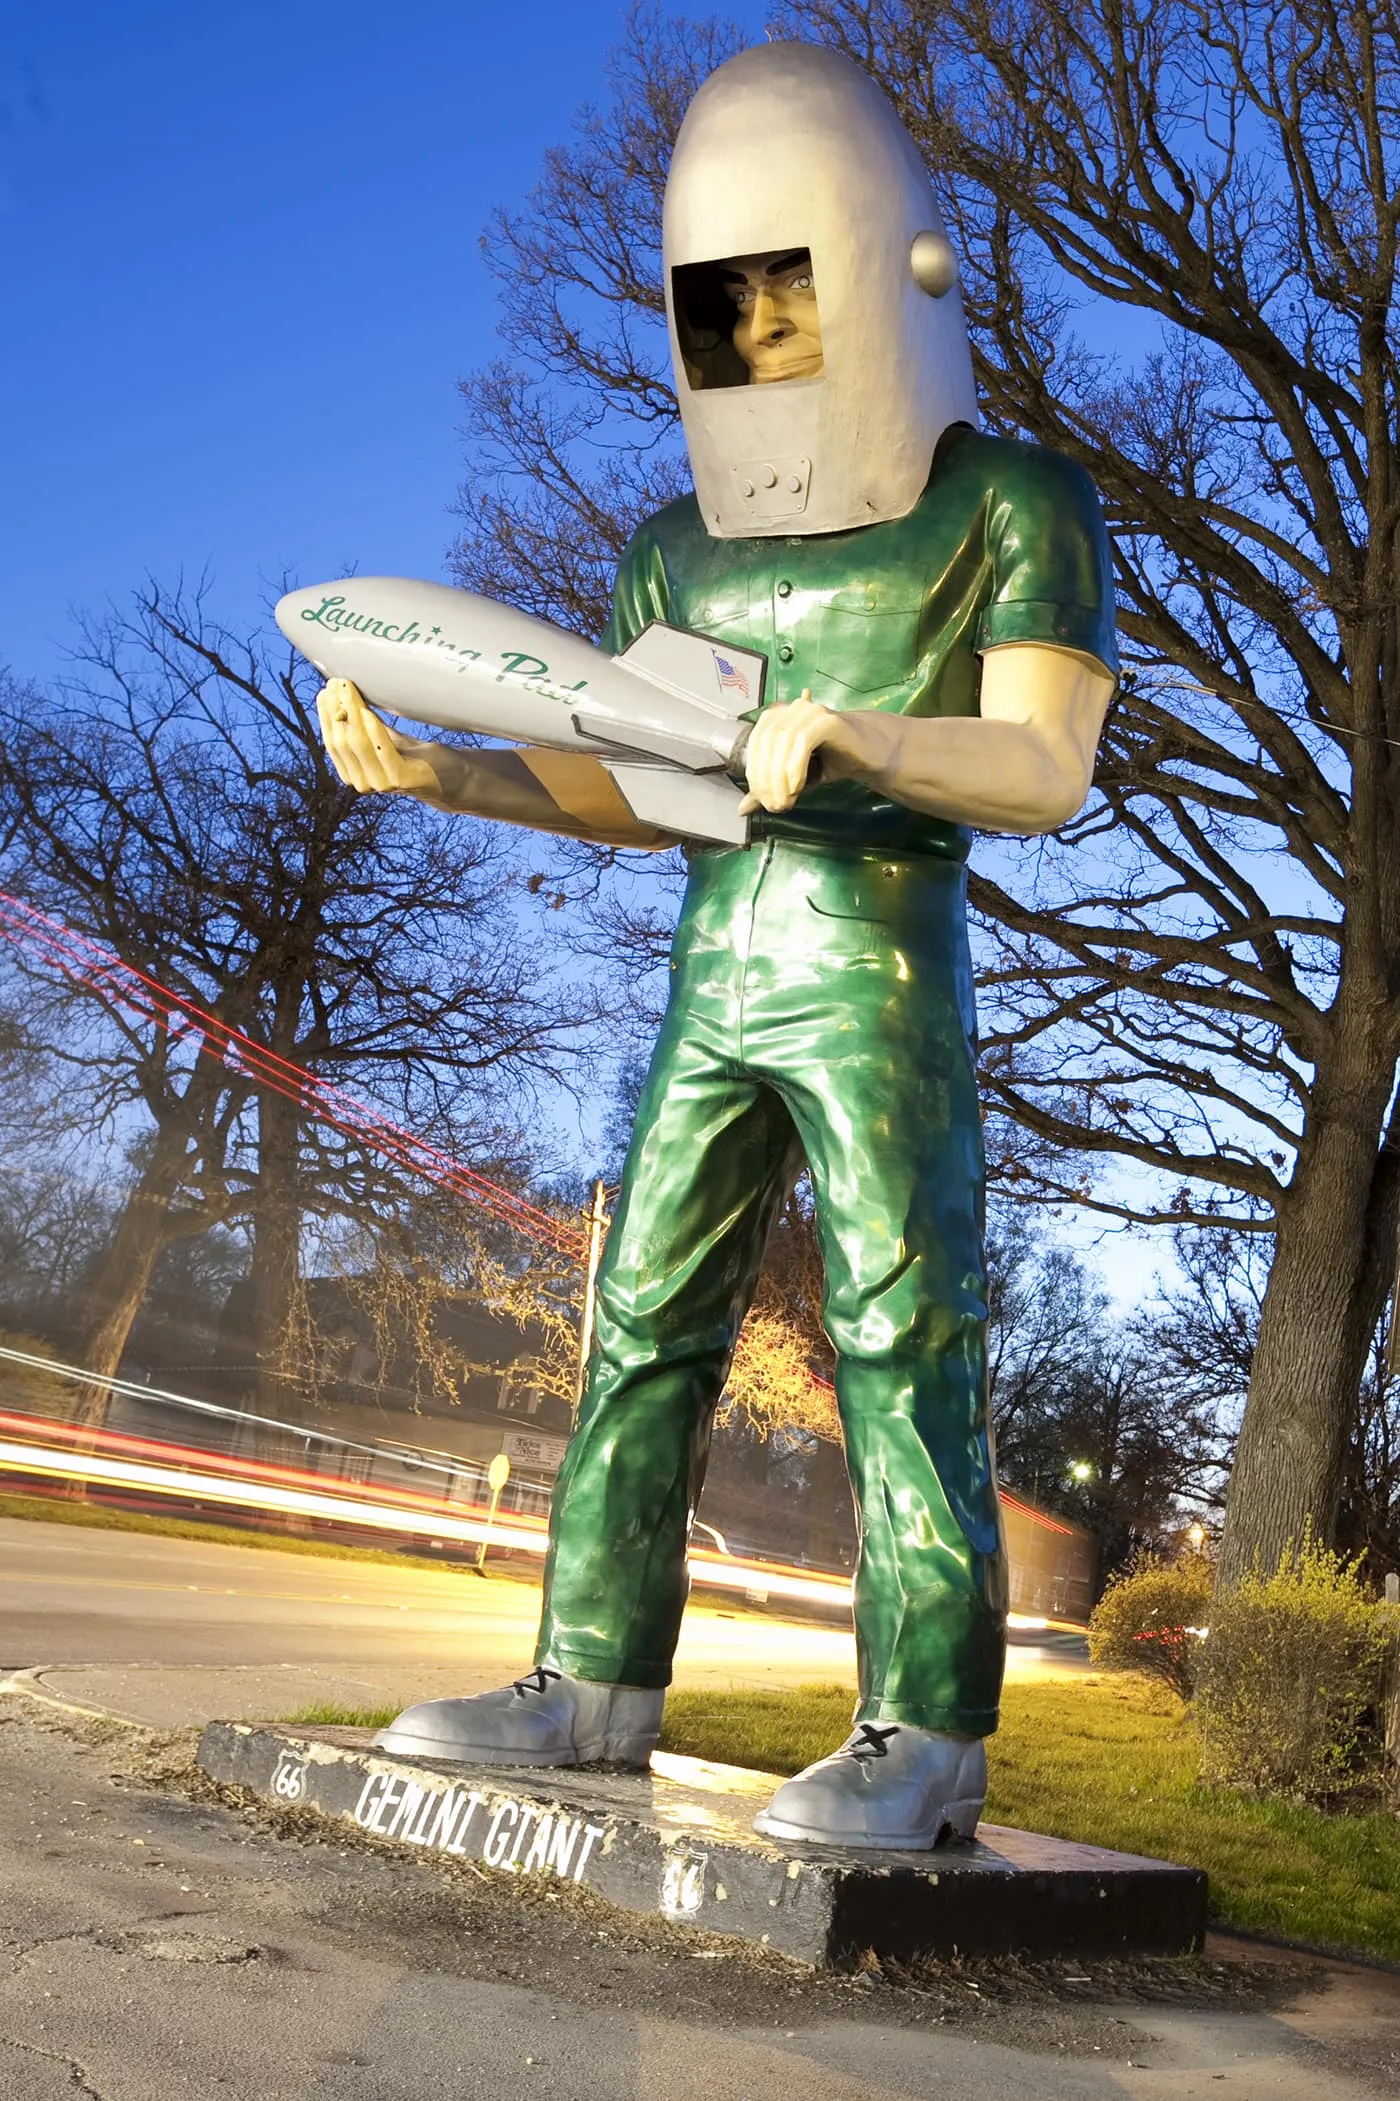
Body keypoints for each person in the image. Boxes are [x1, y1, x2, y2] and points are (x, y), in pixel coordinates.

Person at [318, 41, 1117, 1850]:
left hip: (879, 969)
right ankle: (588, 1677)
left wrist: (867, 739)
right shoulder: (672, 550)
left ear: (894, 271)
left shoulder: (1007, 507)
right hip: (715, 967)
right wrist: (445, 772)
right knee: (641, 1318)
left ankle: (924, 1728)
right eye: (724, 307)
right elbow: (633, 790)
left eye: (786, 294)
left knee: (908, 1339)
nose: (761, 342)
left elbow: (1044, 766)